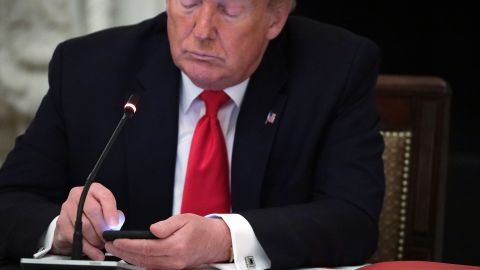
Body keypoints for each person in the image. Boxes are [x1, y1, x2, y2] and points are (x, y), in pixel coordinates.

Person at [0, 0, 385, 269]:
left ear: (275, 17)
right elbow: (10, 201)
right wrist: (61, 229)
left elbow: (353, 219)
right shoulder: (89, 67)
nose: (202, 30)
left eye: (229, 9)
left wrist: (223, 240)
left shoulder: (335, 69)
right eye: (188, 3)